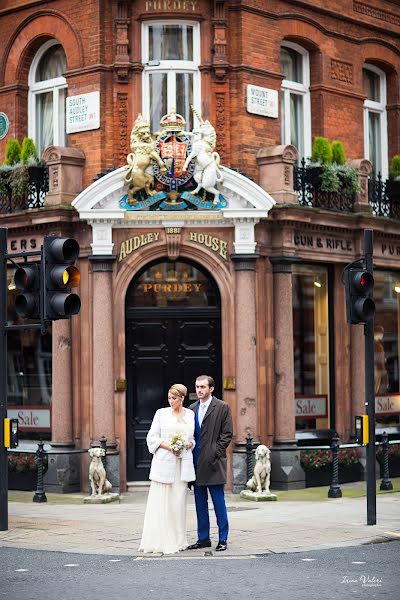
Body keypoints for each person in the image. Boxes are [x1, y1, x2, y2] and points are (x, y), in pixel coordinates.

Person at [139, 384, 195, 554]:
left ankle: (179, 540)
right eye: (169, 398)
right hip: (163, 465)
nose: (171, 401)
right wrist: (170, 447)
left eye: (175, 398)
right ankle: (160, 539)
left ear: (182, 398)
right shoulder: (161, 414)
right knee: (162, 503)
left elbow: (192, 439)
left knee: (178, 503)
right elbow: (152, 438)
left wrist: (189, 444)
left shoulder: (190, 414)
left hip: (182, 465)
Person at [187, 375, 233, 552]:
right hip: (196, 464)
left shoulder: (222, 407)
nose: (199, 390)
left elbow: (227, 434)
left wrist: (216, 452)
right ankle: (203, 538)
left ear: (211, 389)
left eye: (203, 387)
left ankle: (223, 538)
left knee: (218, 502)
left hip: (214, 463)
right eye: (197, 387)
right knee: (200, 504)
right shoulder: (191, 409)